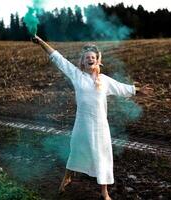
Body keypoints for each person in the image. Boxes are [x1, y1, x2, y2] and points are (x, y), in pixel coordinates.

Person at [32, 36, 151, 200]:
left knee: (103, 156)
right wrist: (40, 42)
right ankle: (67, 177)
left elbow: (122, 88)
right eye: (87, 57)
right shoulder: (77, 75)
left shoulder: (104, 81)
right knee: (76, 151)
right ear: (82, 61)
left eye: (93, 57)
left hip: (100, 126)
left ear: (97, 61)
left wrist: (138, 90)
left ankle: (104, 192)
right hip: (82, 124)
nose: (90, 59)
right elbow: (58, 59)